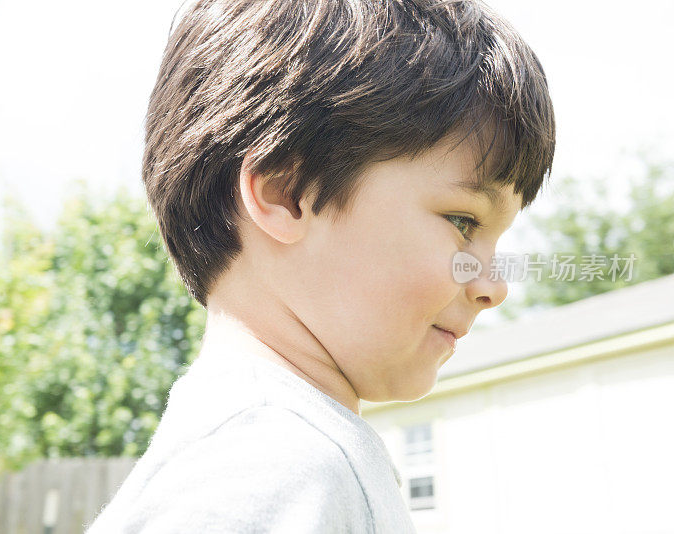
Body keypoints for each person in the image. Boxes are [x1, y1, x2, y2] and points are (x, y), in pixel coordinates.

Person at [86, 0, 555, 531]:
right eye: (464, 222)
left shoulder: (278, 450)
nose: (494, 286)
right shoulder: (270, 469)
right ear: (288, 194)